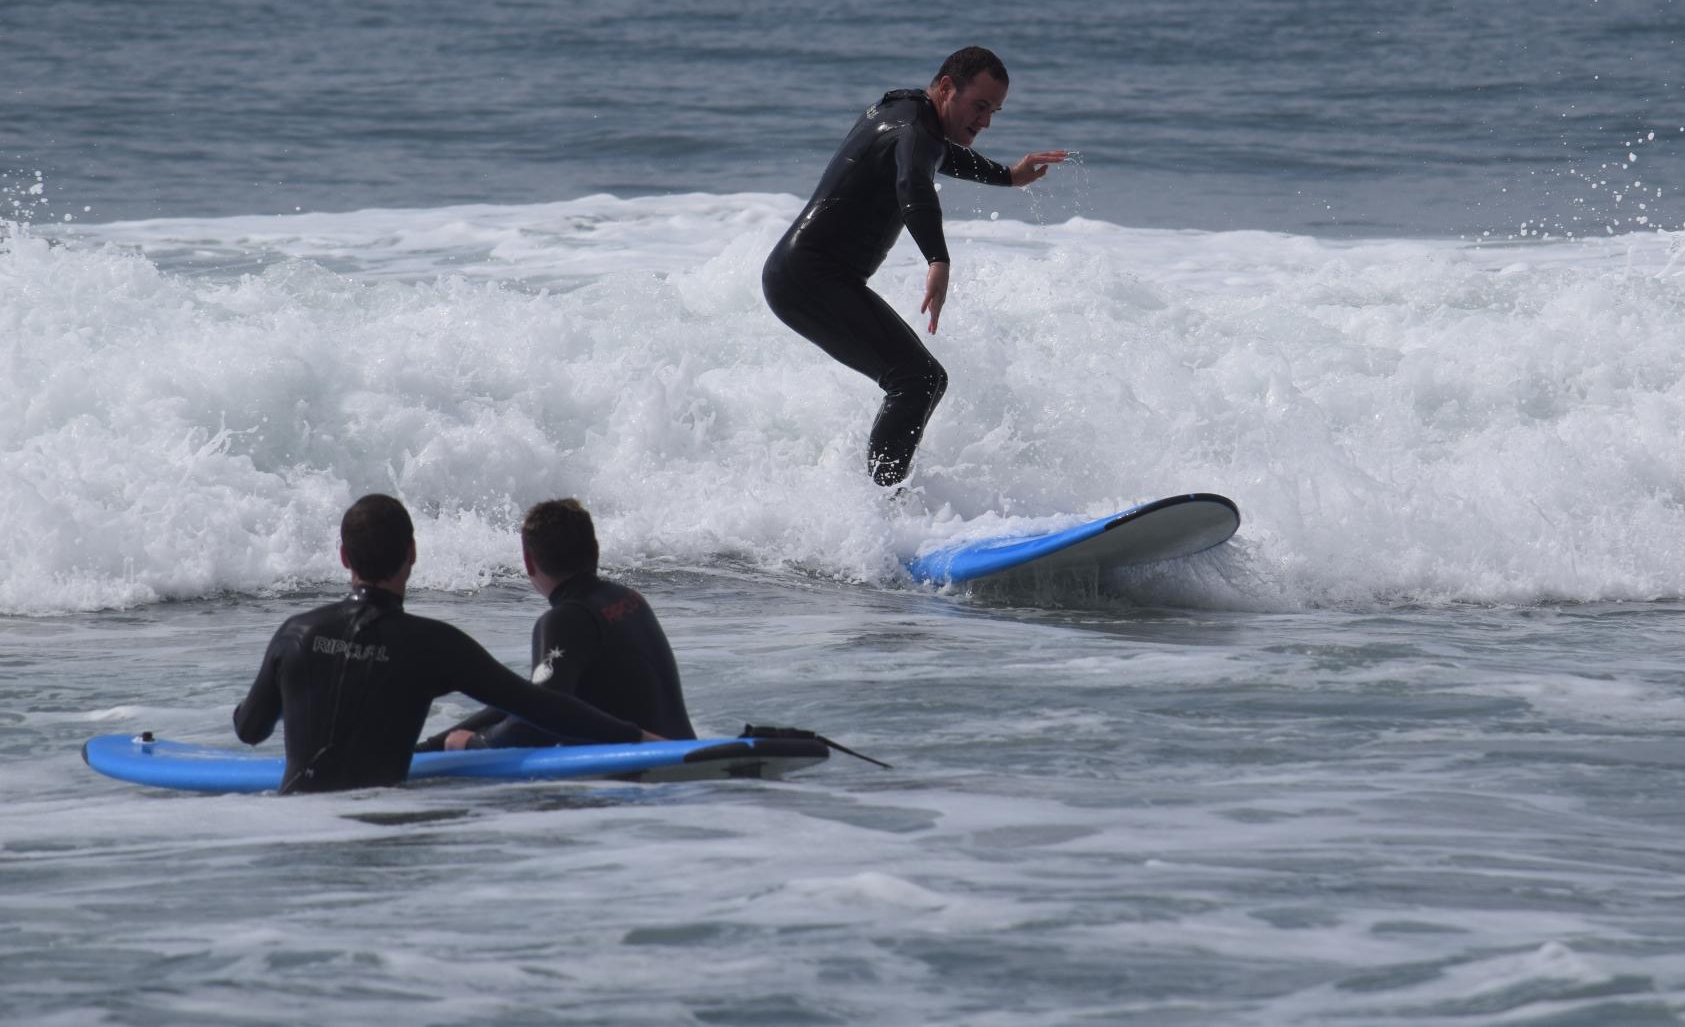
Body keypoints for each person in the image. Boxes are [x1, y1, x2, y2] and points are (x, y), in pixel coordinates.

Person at [762, 46, 1069, 486]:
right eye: (979, 106)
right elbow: (914, 183)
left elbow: (936, 155)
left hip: (807, 276)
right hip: (809, 278)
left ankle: (879, 503)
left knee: (918, 379)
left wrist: (1008, 176)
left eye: (994, 111)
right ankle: (883, 508)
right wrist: (938, 258)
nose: (985, 122)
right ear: (946, 88)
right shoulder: (914, 129)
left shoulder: (910, 115)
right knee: (917, 379)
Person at [233, 494, 660, 794]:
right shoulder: (434, 645)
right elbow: (537, 705)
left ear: (344, 556)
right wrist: (633, 736)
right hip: (383, 824)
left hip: (297, 828)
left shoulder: (295, 633)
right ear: (413, 553)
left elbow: (249, 729)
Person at [427, 497, 696, 751]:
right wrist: (433, 745)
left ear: (529, 562)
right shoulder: (627, 598)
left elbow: (536, 725)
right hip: (684, 753)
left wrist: (474, 742)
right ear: (595, 548)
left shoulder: (565, 620)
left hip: (641, 776)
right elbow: (531, 699)